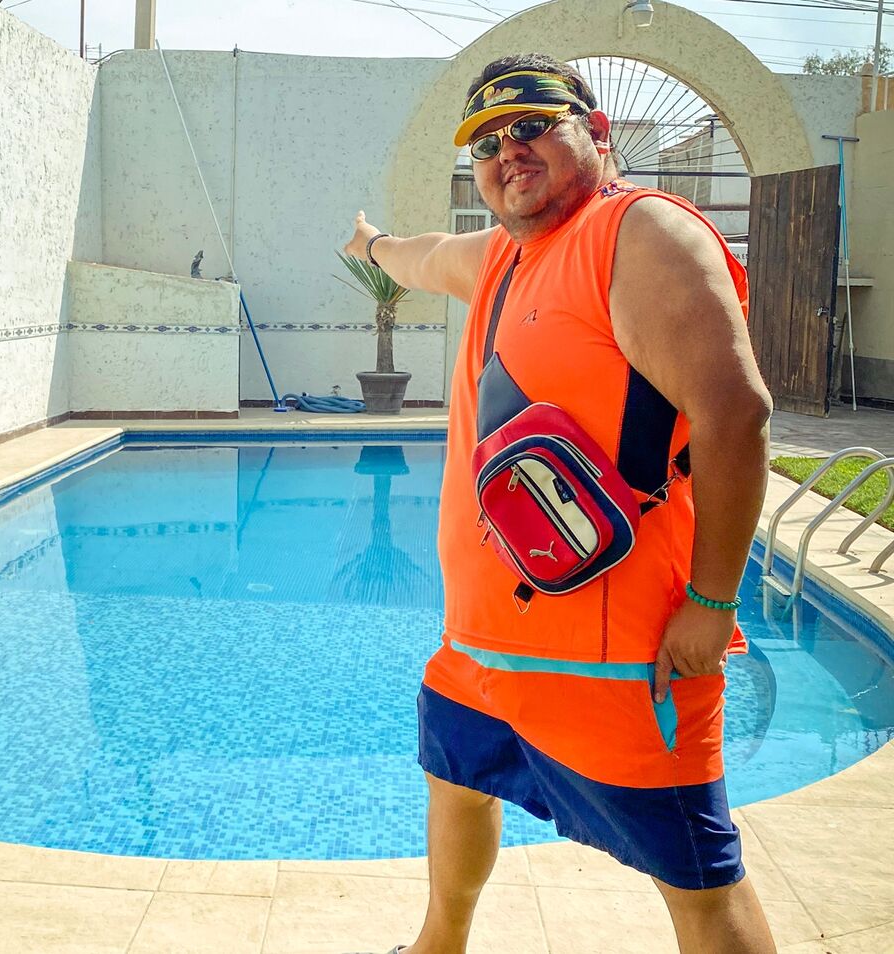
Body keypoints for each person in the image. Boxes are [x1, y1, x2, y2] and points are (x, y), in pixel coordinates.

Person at [343, 54, 776, 954]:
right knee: (456, 782)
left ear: (597, 132)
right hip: (479, 649)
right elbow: (425, 256)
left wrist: (712, 601)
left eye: (533, 125)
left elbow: (736, 414)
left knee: (697, 877)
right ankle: (438, 946)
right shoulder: (502, 254)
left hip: (615, 666)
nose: (508, 151)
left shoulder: (638, 234)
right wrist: (373, 245)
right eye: (487, 143)